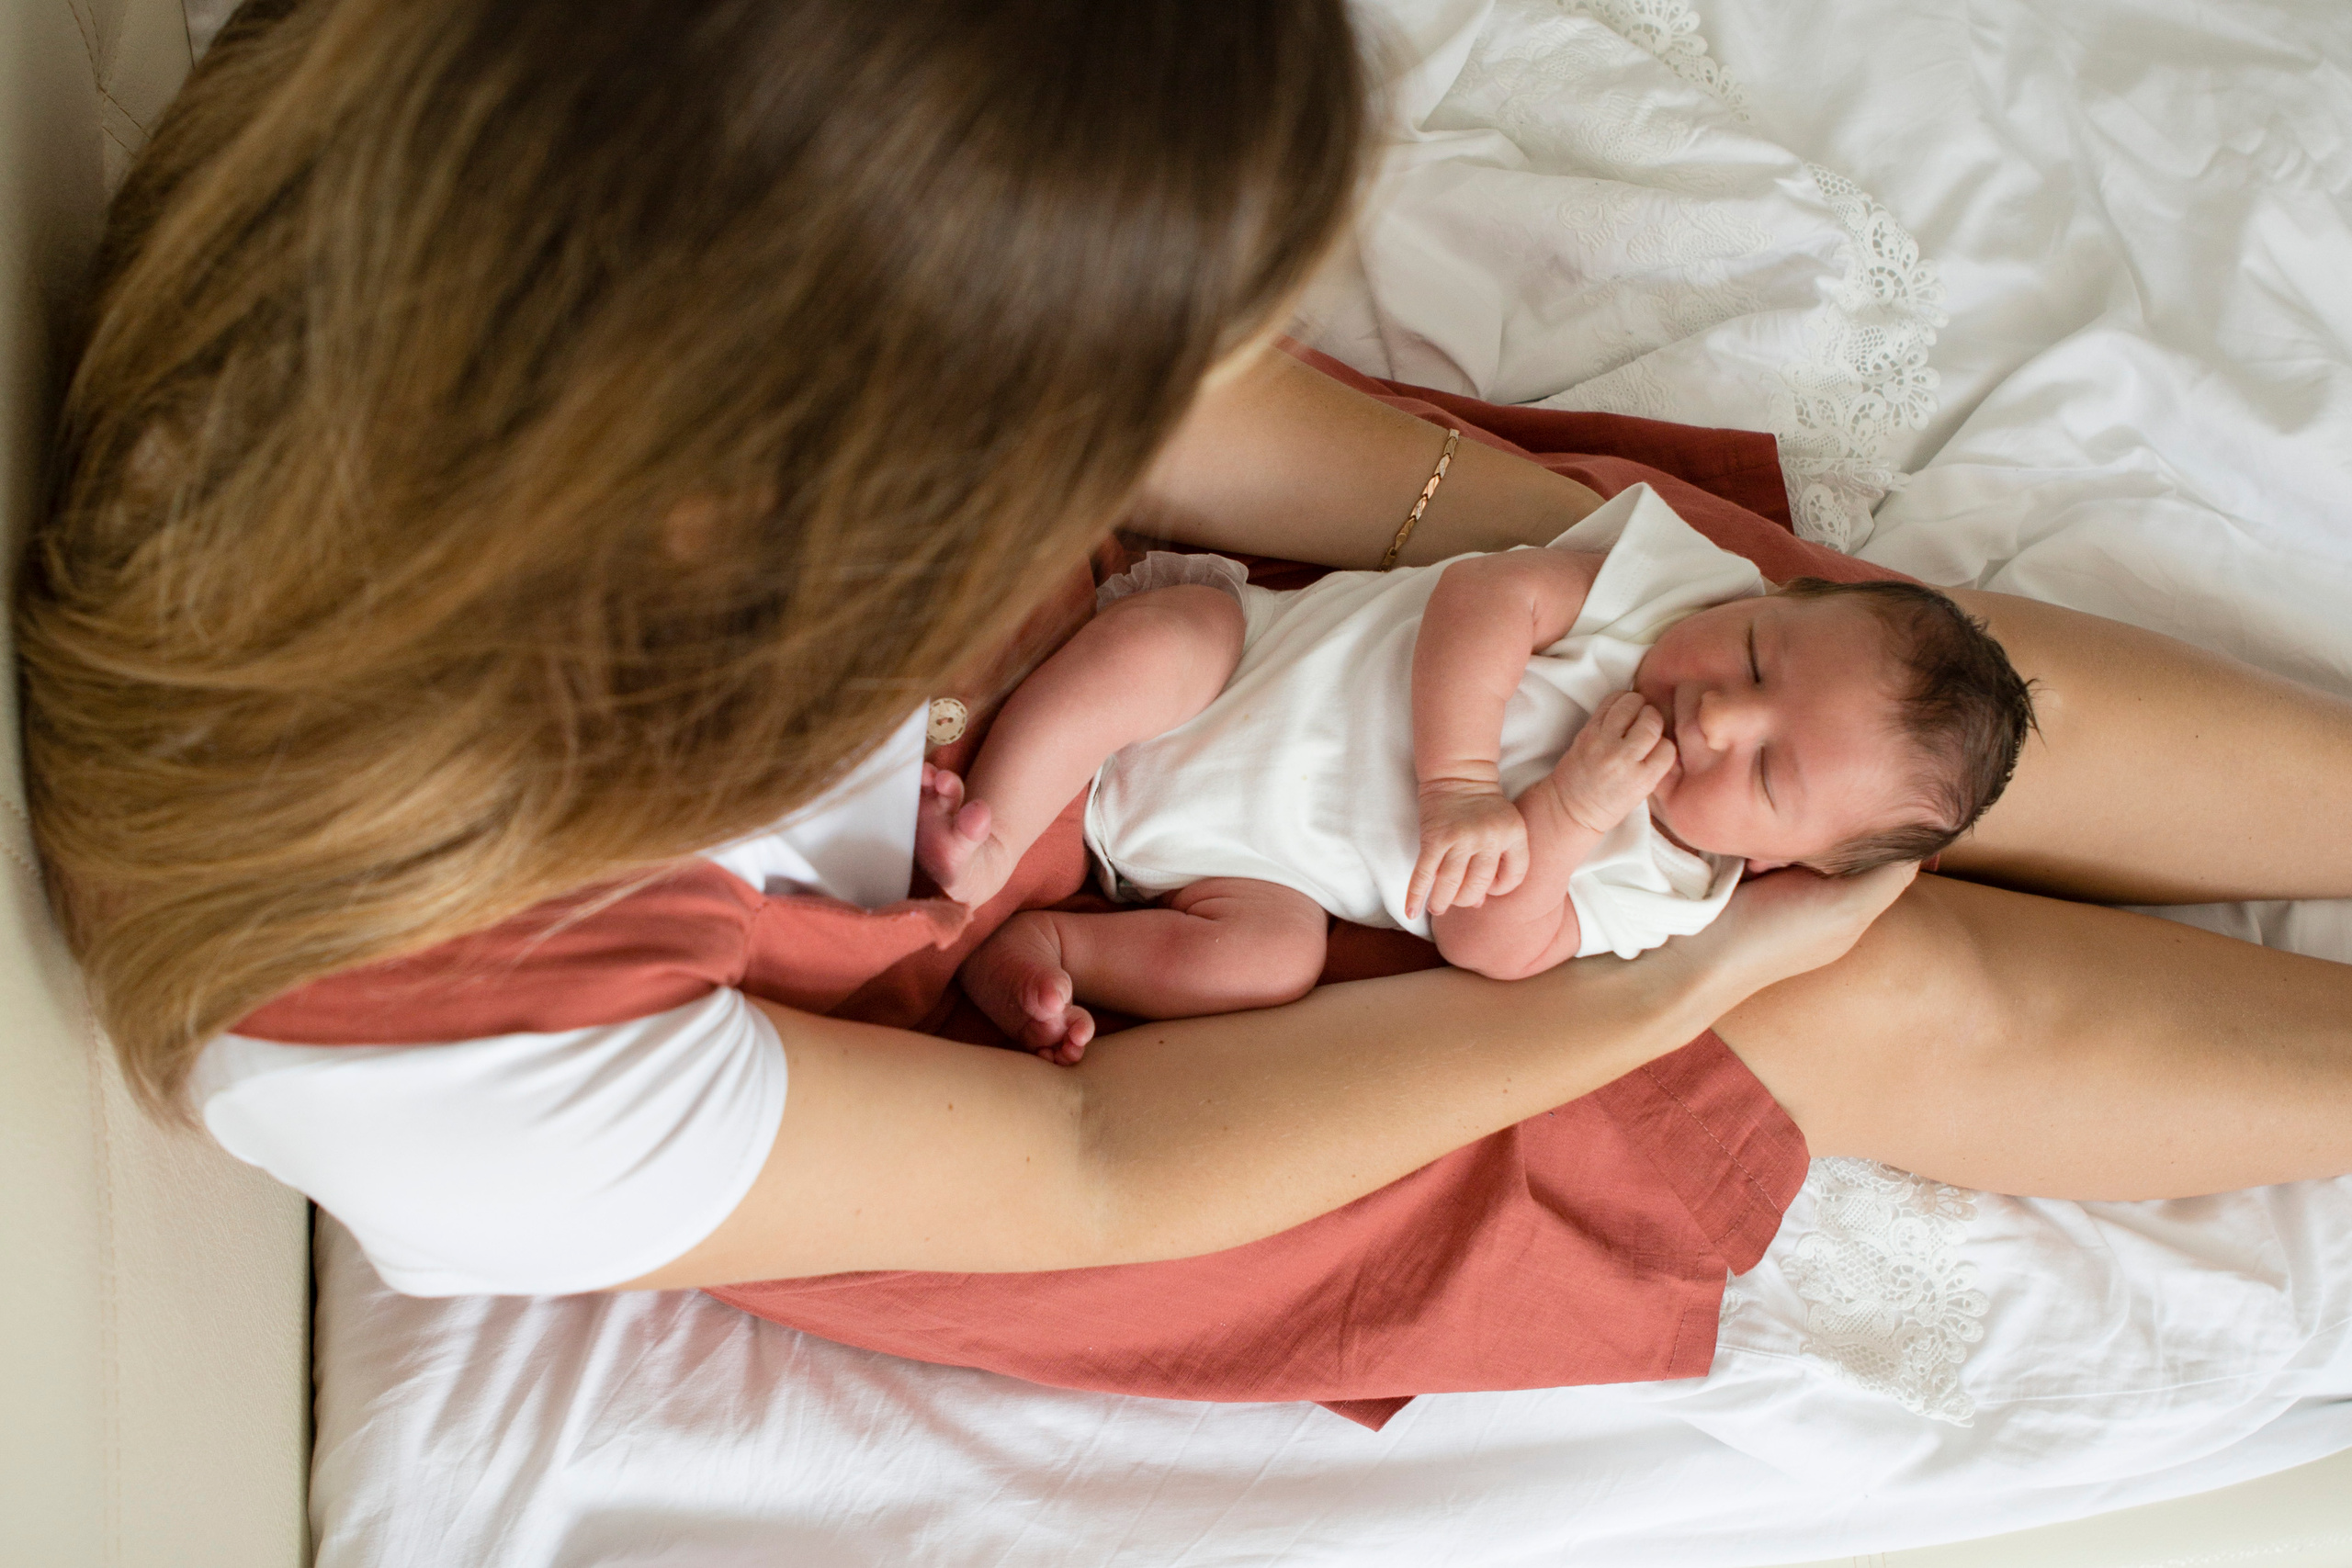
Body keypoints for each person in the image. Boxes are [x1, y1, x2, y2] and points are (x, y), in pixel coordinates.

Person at [17, 0, 2352, 1359]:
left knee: (1886, 679)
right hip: (1063, 1011)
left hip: (1187, 666)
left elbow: (1260, 438)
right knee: (1851, 994)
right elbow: (1089, 1157)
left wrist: (1605, 585)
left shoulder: (634, 186)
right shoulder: (429, 1031)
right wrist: (1665, 969)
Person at [923, 487, 2033, 1061]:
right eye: (1755, 657)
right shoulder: (1669, 589)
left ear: (1778, 860)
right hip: (1235, 666)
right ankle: (988, 838)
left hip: (1236, 869)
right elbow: (1486, 596)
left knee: (1270, 964)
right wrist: (1458, 785)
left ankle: (1053, 945)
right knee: (1159, 641)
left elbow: (1493, 945)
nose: (1720, 714)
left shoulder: (1669, 888)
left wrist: (1566, 811)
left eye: (1769, 772)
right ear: (1771, 598)